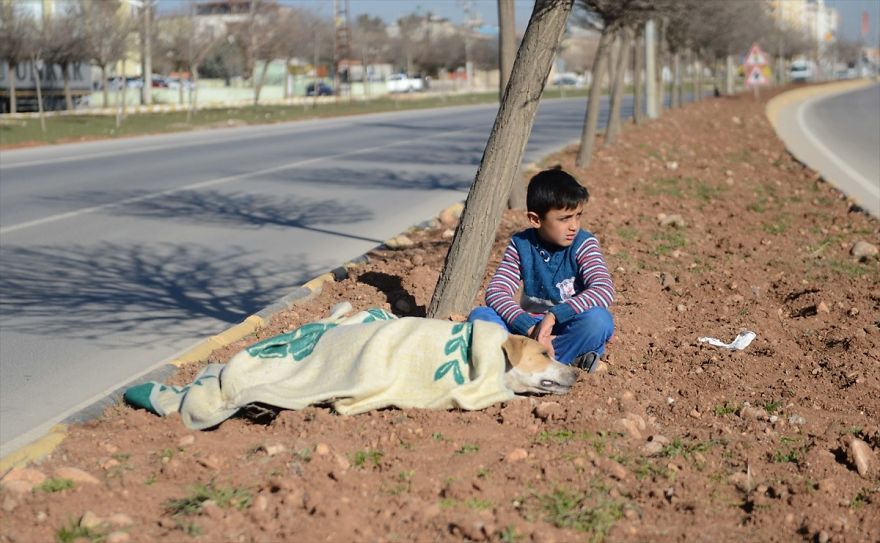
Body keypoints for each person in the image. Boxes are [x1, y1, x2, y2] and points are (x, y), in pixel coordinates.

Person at [468, 168, 614, 371]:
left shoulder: (584, 244)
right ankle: (563, 360)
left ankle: (525, 362)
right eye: (564, 219)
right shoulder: (521, 245)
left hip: (565, 326)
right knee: (481, 316)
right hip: (527, 326)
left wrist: (554, 316)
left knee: (598, 321)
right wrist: (530, 327)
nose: (574, 226)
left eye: (578, 216)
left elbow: (603, 289)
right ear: (536, 220)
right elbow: (496, 291)